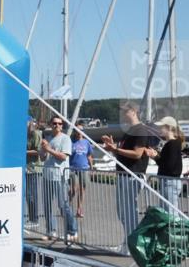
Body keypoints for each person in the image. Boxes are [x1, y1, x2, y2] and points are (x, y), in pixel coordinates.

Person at [102, 102, 152, 253]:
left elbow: (137, 154)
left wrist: (116, 149)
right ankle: (127, 242)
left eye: (125, 111)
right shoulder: (129, 131)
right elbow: (121, 153)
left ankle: (131, 246)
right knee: (122, 211)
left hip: (133, 175)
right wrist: (112, 147)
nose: (123, 114)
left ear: (134, 111)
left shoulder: (140, 130)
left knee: (129, 212)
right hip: (123, 175)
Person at [39, 116, 78, 244]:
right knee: (47, 205)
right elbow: (43, 157)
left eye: (59, 123)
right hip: (47, 175)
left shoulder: (65, 139)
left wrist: (49, 149)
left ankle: (72, 230)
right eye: (54, 123)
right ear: (51, 124)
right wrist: (43, 149)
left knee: (63, 205)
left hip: (59, 176)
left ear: (62, 126)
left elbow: (63, 156)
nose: (57, 125)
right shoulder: (48, 138)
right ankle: (51, 231)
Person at [147, 116, 185, 215]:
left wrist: (156, 157)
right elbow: (168, 163)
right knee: (169, 212)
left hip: (169, 182)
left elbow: (169, 166)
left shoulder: (172, 144)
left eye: (161, 127)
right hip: (170, 181)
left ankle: (173, 226)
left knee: (170, 213)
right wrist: (156, 156)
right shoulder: (174, 143)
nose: (159, 129)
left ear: (169, 128)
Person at [68, 122, 93, 218]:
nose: (79, 132)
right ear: (74, 131)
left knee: (82, 189)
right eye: (77, 130)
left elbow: (89, 156)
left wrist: (91, 167)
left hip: (84, 168)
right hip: (72, 168)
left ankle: (79, 209)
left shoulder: (86, 142)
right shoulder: (71, 142)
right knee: (74, 189)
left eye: (81, 130)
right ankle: (67, 205)